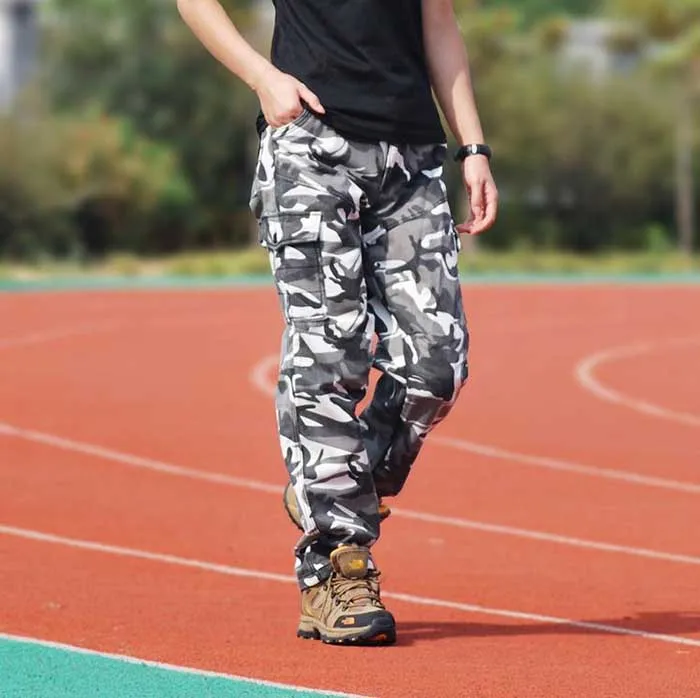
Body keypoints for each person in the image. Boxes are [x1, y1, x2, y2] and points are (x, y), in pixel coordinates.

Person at [178, 0, 498, 646]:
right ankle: (335, 568)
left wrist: (473, 147)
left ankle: (332, 483)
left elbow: (438, 23)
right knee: (330, 355)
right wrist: (263, 78)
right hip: (311, 147)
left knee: (438, 365)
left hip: (411, 159)